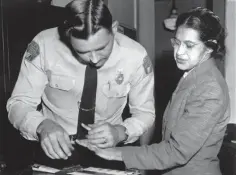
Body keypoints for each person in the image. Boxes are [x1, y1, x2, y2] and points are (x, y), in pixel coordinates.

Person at [78, 7, 230, 175]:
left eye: (189, 45)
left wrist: (115, 153)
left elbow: (177, 152)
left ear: (210, 48)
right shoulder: (194, 76)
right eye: (177, 43)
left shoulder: (209, 88)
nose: (179, 52)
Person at [6, 0, 155, 170]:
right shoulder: (44, 45)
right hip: (54, 151)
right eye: (82, 52)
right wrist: (41, 125)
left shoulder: (135, 56)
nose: (94, 59)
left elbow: (145, 113)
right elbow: (18, 104)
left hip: (110, 152)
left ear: (114, 29)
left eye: (102, 48)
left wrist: (121, 132)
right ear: (67, 36)